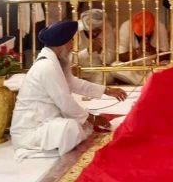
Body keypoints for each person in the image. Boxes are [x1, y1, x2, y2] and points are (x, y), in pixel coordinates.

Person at [10, 20, 126, 157]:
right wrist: (93, 119)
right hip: (31, 130)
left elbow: (73, 83)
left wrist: (107, 90)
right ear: (61, 44)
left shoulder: (55, 61)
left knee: (80, 123)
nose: (72, 46)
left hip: (46, 119)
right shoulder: (46, 66)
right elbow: (65, 102)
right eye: (71, 41)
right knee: (71, 127)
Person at [76, 8, 116, 84]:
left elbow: (110, 60)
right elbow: (70, 60)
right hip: (78, 71)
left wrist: (101, 50)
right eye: (92, 30)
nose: (95, 34)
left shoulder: (107, 28)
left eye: (98, 30)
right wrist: (88, 51)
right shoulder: (75, 30)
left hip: (98, 71)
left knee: (103, 79)